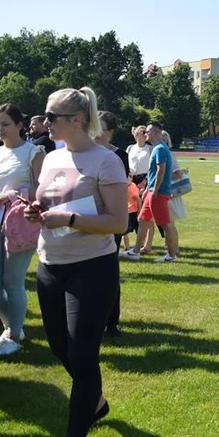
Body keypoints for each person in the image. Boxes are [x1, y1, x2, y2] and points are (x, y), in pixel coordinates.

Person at [24, 87, 128, 437]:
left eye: (52, 117)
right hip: (50, 264)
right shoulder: (51, 157)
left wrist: (66, 220)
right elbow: (51, 203)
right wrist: (34, 211)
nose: (45, 123)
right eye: (46, 116)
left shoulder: (106, 161)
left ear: (78, 120)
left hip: (92, 267)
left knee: (83, 358)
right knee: (59, 347)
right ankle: (96, 403)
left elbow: (118, 223)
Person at [0, 103, 45, 357]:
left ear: (19, 125)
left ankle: (14, 334)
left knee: (12, 281)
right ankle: (11, 327)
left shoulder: (33, 152)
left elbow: (42, 190)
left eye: (5, 124)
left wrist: (12, 195)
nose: (0, 128)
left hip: (20, 224)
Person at [94, 111, 128, 338]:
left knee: (108, 270)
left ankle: (111, 322)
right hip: (86, 216)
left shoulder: (119, 155)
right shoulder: (84, 152)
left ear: (111, 131)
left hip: (109, 217)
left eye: (100, 128)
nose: (95, 132)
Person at [131, 123, 180, 262]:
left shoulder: (159, 149)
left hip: (157, 192)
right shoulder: (157, 148)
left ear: (157, 133)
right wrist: (148, 188)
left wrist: (156, 189)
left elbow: (161, 170)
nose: (146, 133)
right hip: (151, 190)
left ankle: (171, 255)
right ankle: (135, 251)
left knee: (165, 224)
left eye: (148, 131)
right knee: (142, 219)